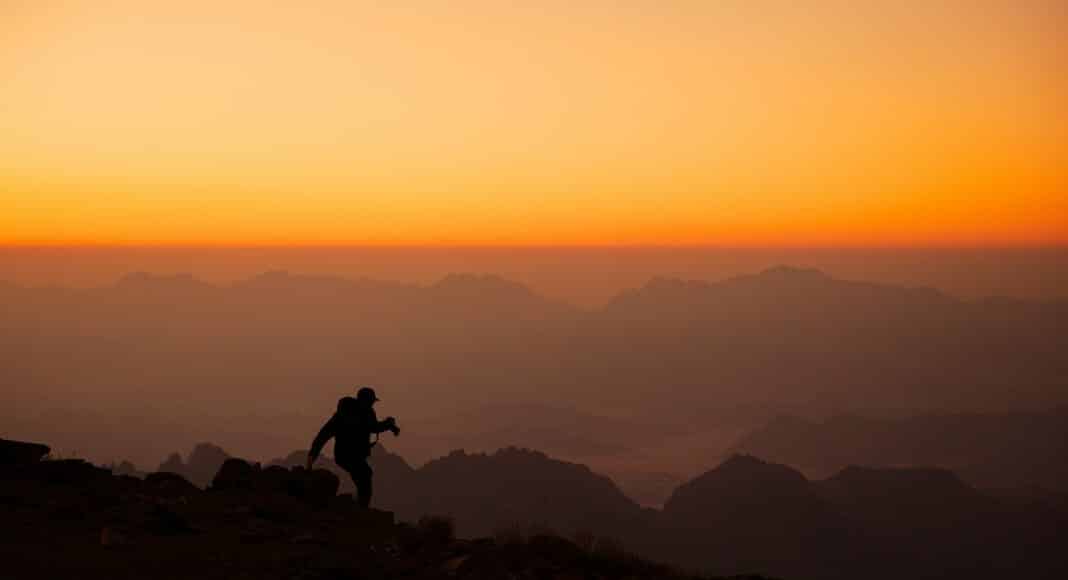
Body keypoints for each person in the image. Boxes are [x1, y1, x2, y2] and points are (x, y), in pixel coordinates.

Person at [307, 386, 399, 508]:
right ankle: (361, 508)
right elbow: (323, 436)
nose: (372, 404)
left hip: (353, 455)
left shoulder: (366, 413)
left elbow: (373, 427)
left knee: (364, 475)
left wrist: (388, 425)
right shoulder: (343, 416)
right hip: (345, 455)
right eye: (371, 401)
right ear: (363, 400)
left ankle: (360, 506)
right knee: (365, 475)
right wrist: (311, 458)